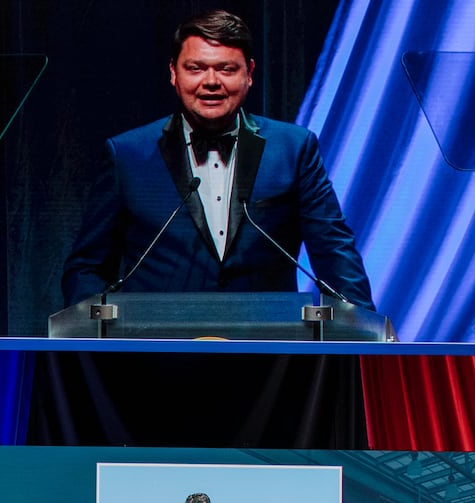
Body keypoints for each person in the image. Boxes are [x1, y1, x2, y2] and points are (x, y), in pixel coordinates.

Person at [61, 10, 373, 310]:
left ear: (249, 74)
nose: (211, 81)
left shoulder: (293, 148)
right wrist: (93, 339)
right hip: (159, 355)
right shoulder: (127, 155)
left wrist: (371, 341)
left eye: (226, 69)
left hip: (267, 353)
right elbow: (87, 269)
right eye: (195, 68)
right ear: (173, 73)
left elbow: (335, 253)